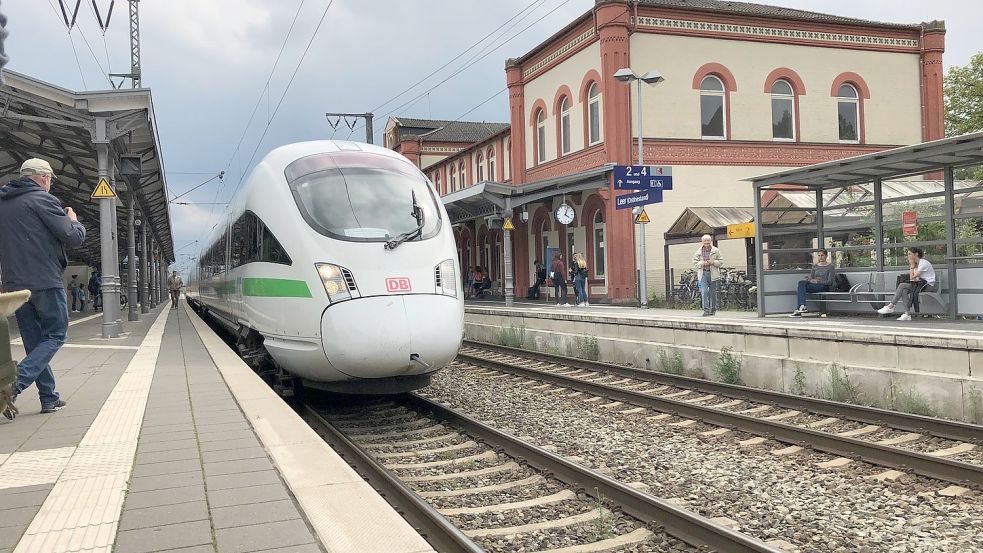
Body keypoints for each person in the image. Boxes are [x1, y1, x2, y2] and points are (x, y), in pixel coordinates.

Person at [0, 158, 86, 419]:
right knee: (56, 335)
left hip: (14, 284)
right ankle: (13, 386)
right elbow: (73, 237)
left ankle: (49, 397)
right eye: (50, 179)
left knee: (35, 341)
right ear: (44, 178)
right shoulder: (42, 200)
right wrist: (74, 220)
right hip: (44, 281)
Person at [878, 247, 936, 321]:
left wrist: (911, 267)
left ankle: (891, 306)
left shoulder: (923, 263)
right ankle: (907, 314)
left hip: (927, 286)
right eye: (908, 254)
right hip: (918, 284)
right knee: (904, 290)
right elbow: (913, 278)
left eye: (910, 254)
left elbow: (912, 278)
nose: (908, 256)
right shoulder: (916, 264)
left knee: (902, 285)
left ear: (916, 254)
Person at [790, 249, 835, 317]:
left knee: (800, 289)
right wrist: (809, 279)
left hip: (823, 286)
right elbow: (812, 277)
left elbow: (830, 282)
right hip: (813, 285)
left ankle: (799, 308)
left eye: (822, 255)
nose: (820, 257)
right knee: (801, 283)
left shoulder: (830, 267)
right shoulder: (815, 266)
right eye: (819, 255)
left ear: (826, 256)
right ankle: (802, 306)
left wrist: (817, 281)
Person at [692, 234, 723, 316]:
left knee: (713, 293)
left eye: (708, 241)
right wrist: (702, 263)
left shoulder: (716, 250)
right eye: (705, 241)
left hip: (713, 273)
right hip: (703, 274)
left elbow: (721, 262)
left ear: (710, 241)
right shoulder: (698, 252)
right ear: (702, 242)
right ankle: (706, 310)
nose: (706, 242)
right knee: (704, 291)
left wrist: (713, 262)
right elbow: (694, 263)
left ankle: (712, 309)